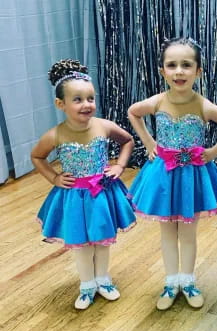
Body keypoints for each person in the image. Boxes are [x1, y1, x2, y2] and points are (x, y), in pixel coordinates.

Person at [128, 37, 217, 310]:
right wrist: (149, 143)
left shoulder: (203, 105)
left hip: (192, 176)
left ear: (198, 71)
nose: (179, 71)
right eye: (172, 65)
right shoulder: (157, 101)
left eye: (186, 65)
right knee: (167, 232)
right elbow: (133, 112)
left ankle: (188, 281)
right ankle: (171, 282)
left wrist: (214, 152)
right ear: (162, 71)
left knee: (188, 233)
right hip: (164, 175)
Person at [32, 59, 136, 310]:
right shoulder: (55, 134)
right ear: (61, 104)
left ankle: (103, 279)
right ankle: (87, 284)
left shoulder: (103, 125)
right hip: (74, 197)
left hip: (101, 193)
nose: (86, 104)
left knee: (101, 239)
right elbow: (37, 156)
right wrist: (55, 177)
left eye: (90, 98)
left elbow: (128, 140)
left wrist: (120, 166)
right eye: (77, 99)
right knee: (81, 244)